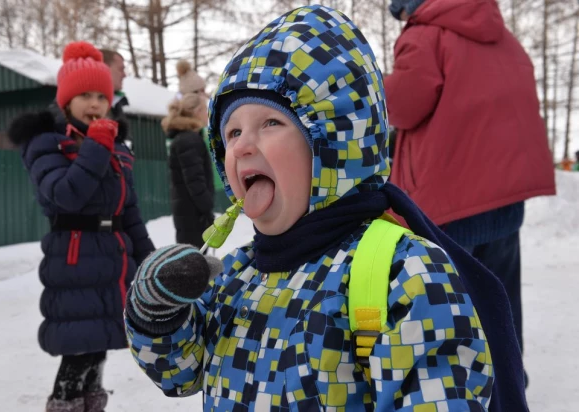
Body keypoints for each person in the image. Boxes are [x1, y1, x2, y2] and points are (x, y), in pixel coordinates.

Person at [123, 5, 528, 411]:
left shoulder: (402, 272)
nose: (242, 145)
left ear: (332, 145)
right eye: (232, 131)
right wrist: (158, 311)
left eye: (270, 123)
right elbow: (180, 370)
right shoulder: (237, 276)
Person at [384, 0, 556, 357]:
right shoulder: (503, 37)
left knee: (447, 303)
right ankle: (509, 386)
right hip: (506, 195)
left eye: (400, 11)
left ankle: (459, 390)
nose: (403, 19)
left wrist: (379, 85)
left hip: (449, 200)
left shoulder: (425, 35)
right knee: (501, 298)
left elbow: (404, 107)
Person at [7, 41, 155, 412]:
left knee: (98, 351)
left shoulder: (114, 144)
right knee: (78, 354)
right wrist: (98, 144)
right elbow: (65, 194)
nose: (94, 104)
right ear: (65, 101)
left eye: (101, 97)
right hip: (75, 261)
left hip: (113, 260)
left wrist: (149, 257)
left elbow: (129, 210)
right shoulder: (46, 142)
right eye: (84, 95)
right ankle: (64, 406)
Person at [161, 92, 215, 249]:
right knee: (194, 263)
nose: (207, 114)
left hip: (188, 213)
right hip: (193, 216)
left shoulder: (186, 138)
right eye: (205, 109)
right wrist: (207, 209)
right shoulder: (189, 140)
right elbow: (195, 180)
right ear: (197, 112)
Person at [99, 48, 128, 118]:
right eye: (121, 69)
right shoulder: (87, 107)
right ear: (105, 68)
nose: (124, 75)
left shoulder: (116, 104)